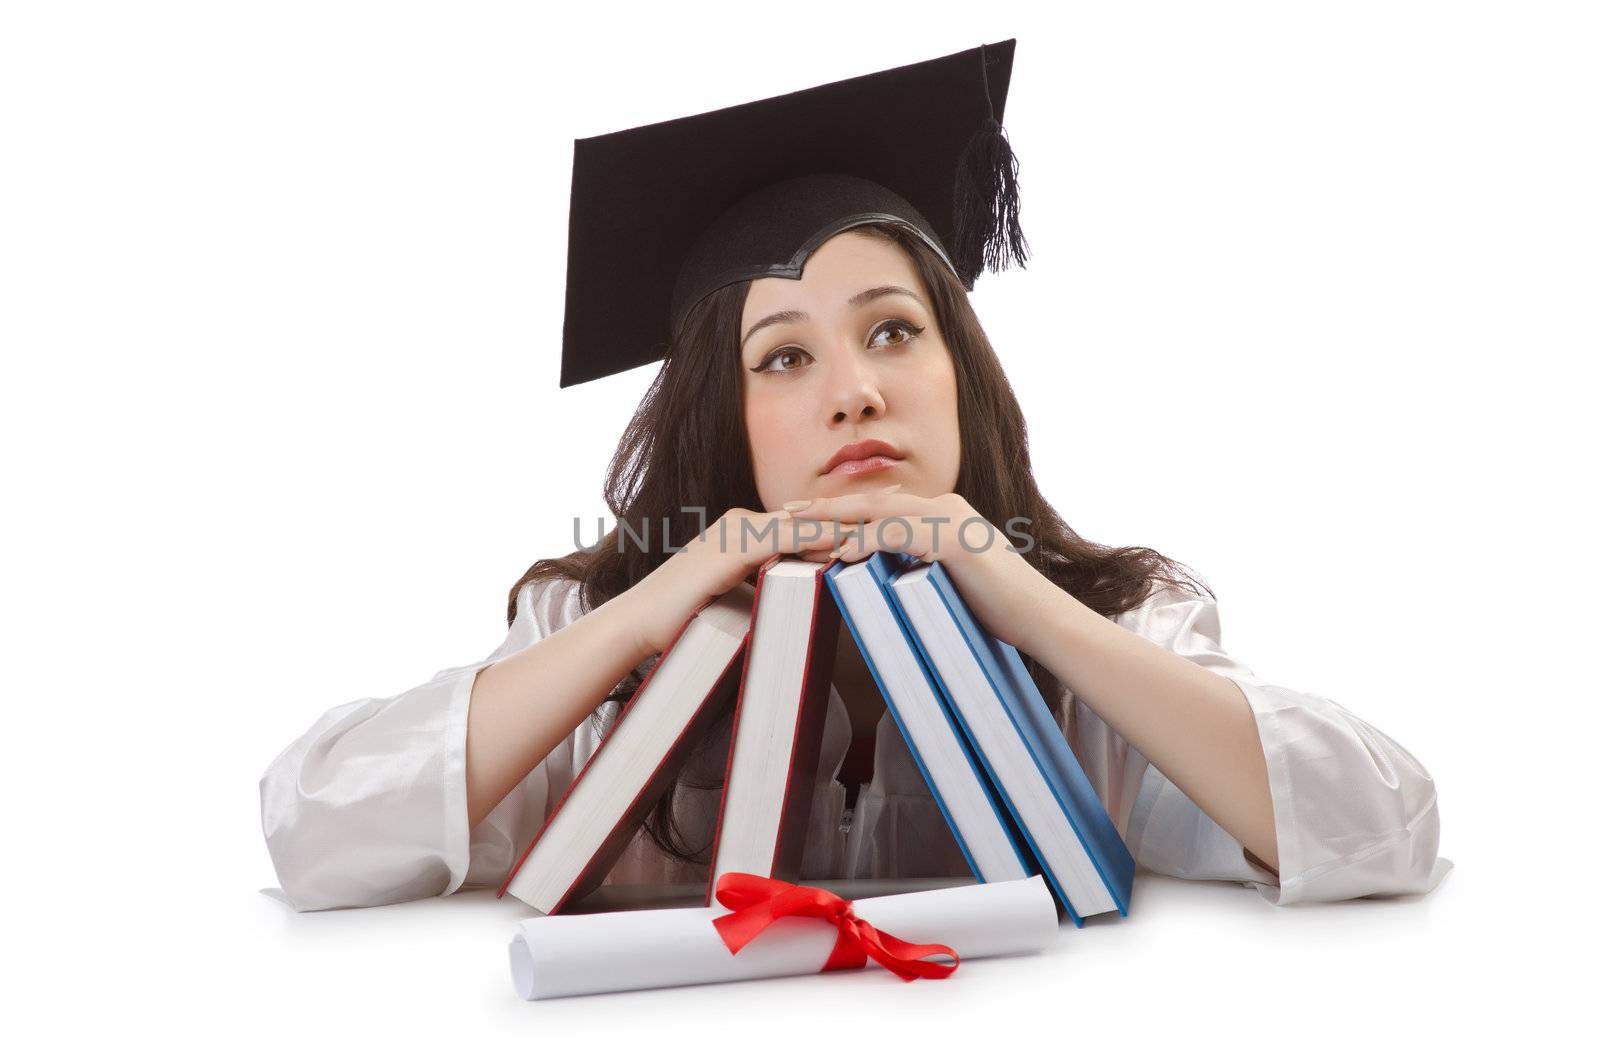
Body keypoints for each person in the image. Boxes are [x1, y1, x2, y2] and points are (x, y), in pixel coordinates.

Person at [259, 40, 1451, 914]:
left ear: (958, 373)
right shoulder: (598, 645)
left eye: (890, 331)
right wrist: (657, 604)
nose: (853, 391)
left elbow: (1380, 826)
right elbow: (315, 832)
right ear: (724, 419)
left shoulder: (1111, 639)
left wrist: (1006, 585)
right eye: (784, 356)